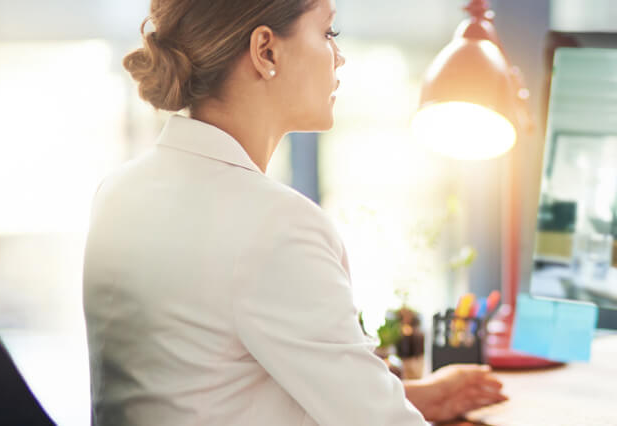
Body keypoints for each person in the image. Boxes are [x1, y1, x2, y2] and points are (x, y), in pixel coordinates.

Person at [83, 0, 507, 425]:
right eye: (328, 34)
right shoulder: (274, 224)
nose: (339, 57)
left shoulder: (118, 191)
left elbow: (202, 383)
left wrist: (414, 398)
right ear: (266, 50)